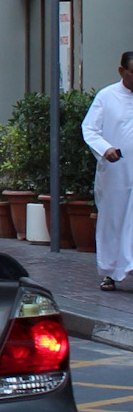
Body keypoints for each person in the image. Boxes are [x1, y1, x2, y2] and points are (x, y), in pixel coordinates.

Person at [82, 51, 133, 292]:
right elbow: (90, 129)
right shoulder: (107, 96)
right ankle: (110, 272)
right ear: (122, 71)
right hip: (116, 171)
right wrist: (106, 149)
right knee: (113, 220)